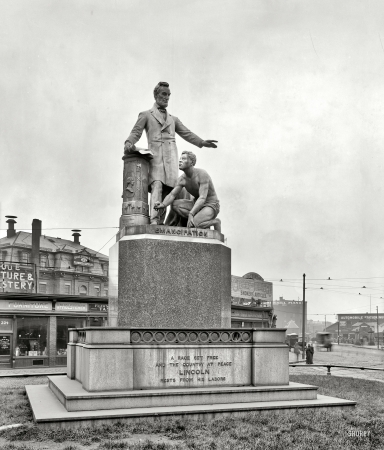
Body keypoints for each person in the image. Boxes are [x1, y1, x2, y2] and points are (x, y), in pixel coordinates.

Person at [124, 82, 218, 225]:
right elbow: (135, 132)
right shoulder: (145, 115)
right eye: (163, 94)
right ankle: (154, 220)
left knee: (170, 191)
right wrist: (129, 142)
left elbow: (187, 133)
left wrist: (201, 142)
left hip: (172, 159)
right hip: (156, 158)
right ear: (156, 95)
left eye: (168, 95)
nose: (166, 97)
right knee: (157, 185)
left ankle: (163, 223)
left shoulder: (173, 119)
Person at [154, 150, 221, 231]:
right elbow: (172, 194)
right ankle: (199, 218)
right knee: (175, 205)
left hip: (210, 205)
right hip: (195, 204)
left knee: (193, 225)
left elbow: (202, 198)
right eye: (180, 158)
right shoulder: (182, 179)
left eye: (184, 159)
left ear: (191, 162)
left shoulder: (202, 174)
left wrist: (191, 214)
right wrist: (163, 204)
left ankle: (215, 222)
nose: (180, 161)